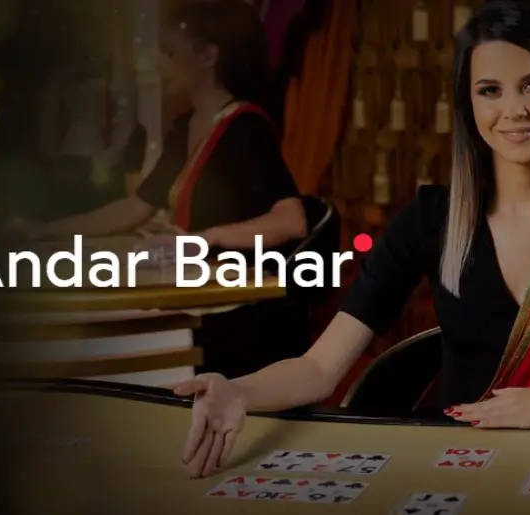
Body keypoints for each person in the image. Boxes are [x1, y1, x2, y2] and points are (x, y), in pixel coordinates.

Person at [171, 0, 530, 479]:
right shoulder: (429, 217)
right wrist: (238, 392)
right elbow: (319, 369)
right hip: (452, 463)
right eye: (490, 90)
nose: (513, 110)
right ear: (468, 106)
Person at [23, 0, 313, 378]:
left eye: (170, 52)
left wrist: (203, 240)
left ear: (208, 56)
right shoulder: (185, 127)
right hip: (202, 301)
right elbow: (135, 207)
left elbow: (291, 221)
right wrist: (45, 231)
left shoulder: (246, 128)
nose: (160, 65)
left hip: (242, 314)